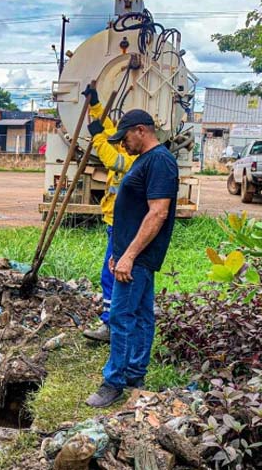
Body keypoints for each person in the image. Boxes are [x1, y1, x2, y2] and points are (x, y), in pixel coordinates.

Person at [85, 109, 179, 408]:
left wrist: (129, 256)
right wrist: (118, 252)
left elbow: (158, 212)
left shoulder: (160, 161)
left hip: (137, 258)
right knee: (140, 315)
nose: (122, 144)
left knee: (121, 317)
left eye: (124, 137)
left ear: (141, 130)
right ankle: (135, 376)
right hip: (130, 254)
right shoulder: (146, 160)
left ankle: (113, 383)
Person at [81, 85, 138, 342]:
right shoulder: (126, 146)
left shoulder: (135, 160)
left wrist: (97, 139)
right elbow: (110, 131)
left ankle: (111, 325)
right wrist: (95, 105)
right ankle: (118, 321)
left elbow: (113, 160)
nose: (122, 141)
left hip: (123, 224)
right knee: (115, 274)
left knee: (111, 273)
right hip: (116, 222)